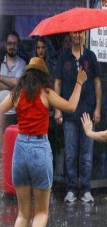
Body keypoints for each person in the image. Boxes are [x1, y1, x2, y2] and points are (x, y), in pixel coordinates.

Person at [0, 57, 87, 227]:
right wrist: (79, 82)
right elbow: (71, 106)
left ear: (27, 74)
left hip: (20, 148)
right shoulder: (45, 92)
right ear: (43, 75)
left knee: (22, 215)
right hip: (39, 149)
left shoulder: (16, 92)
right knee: (41, 213)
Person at [54, 30, 102, 203]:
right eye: (74, 33)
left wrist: (97, 108)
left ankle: (86, 189)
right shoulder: (64, 57)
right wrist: (58, 110)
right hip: (69, 113)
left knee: (87, 155)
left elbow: (97, 82)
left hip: (88, 113)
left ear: (83, 35)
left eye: (80, 33)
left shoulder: (90, 56)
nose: (77, 35)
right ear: (70, 35)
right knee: (70, 153)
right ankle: (72, 189)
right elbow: (57, 83)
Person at [0, 30, 26, 147]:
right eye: (9, 44)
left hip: (15, 114)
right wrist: (11, 84)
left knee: (13, 146)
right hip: (0, 112)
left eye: (14, 44)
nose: (12, 46)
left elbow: (17, 83)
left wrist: (1, 77)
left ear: (18, 45)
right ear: (5, 45)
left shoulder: (22, 63)